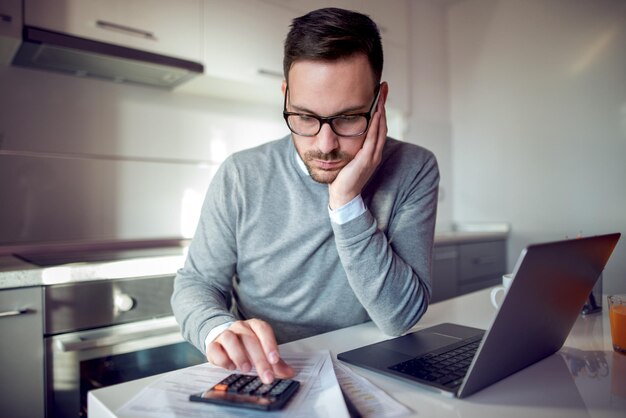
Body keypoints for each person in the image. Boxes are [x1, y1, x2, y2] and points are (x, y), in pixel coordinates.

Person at [172, 7, 439, 386]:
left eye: (348, 118)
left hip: (370, 366)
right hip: (269, 370)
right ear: (285, 96)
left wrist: (346, 202)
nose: (325, 144)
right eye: (304, 117)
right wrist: (217, 329)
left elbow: (401, 316)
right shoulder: (241, 174)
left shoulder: (414, 168)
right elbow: (196, 283)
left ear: (379, 102)